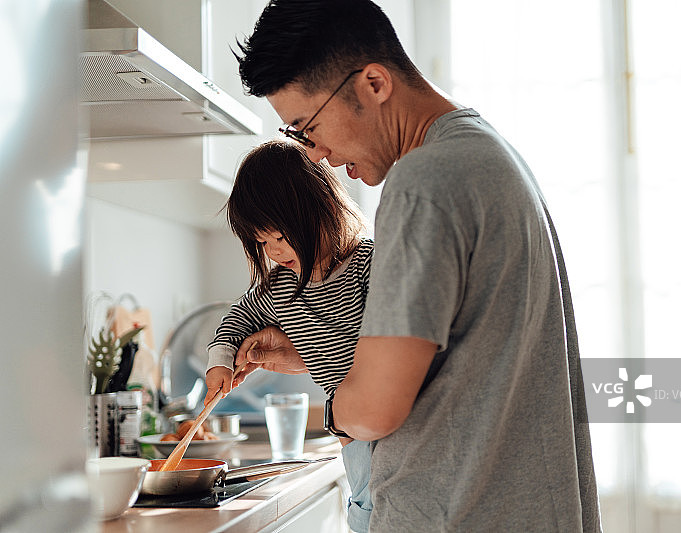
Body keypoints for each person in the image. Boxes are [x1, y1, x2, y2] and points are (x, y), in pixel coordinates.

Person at [231, 1, 603, 531]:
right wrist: (314, 355)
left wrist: (337, 408)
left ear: (374, 83)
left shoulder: (424, 182)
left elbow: (374, 410)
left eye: (306, 126)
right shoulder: (488, 155)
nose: (314, 154)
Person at [203, 139, 376, 532]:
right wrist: (220, 361)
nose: (274, 251)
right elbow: (237, 319)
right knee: (366, 518)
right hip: (355, 448)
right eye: (262, 242)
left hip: (395, 437)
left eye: (279, 236)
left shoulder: (367, 263)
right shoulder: (280, 287)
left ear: (322, 207)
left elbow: (385, 353)